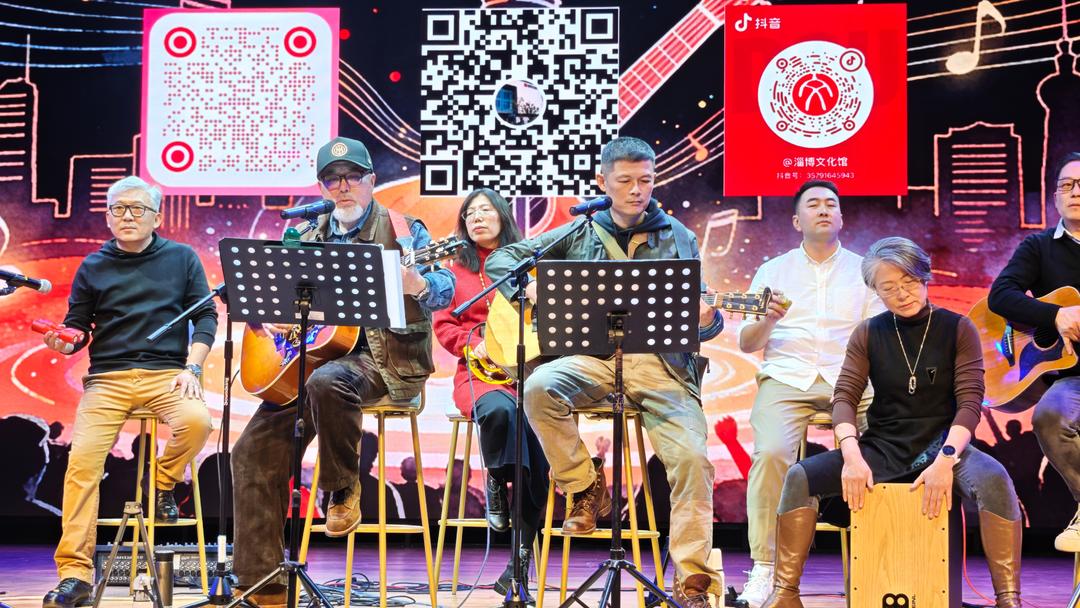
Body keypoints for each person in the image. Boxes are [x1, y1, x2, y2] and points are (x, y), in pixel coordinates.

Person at [485, 136, 725, 608]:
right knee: (539, 386)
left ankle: (693, 578)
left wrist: (706, 320)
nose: (637, 190)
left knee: (693, 461)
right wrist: (528, 290)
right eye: (626, 181)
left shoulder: (678, 236)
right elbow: (501, 258)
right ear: (603, 181)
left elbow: (705, 323)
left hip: (661, 366)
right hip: (593, 358)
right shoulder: (580, 230)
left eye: (646, 180)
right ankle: (584, 485)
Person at [229, 136, 454, 606]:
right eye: (332, 179)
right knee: (250, 451)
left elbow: (445, 288)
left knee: (328, 381)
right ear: (321, 187)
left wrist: (418, 282)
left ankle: (342, 489)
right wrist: (271, 315)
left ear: (371, 180)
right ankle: (262, 584)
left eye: (352, 176)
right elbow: (276, 295)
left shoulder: (404, 230)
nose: (343, 186)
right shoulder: (305, 235)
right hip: (311, 359)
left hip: (384, 361)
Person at [761, 237, 1022, 608]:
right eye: (889, 287)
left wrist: (945, 460)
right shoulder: (869, 332)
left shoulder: (957, 328)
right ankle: (785, 594)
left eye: (909, 282)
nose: (902, 294)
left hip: (944, 445)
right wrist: (851, 456)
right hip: (883, 446)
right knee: (800, 477)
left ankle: (1008, 599)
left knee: (994, 478)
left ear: (924, 276)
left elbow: (969, 402)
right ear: (876, 291)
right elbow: (844, 398)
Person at [42, 176, 217, 608]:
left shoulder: (182, 258)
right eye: (118, 209)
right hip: (108, 379)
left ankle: (162, 483)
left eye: (138, 209)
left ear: (157, 217)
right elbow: (78, 326)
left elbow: (206, 316)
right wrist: (66, 343)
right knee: (81, 465)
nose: (127, 216)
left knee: (198, 422)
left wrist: (193, 367)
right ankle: (75, 575)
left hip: (167, 374)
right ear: (107, 217)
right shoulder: (93, 265)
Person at [735, 180, 883, 606]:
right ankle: (765, 566)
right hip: (787, 378)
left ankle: (880, 558)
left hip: (852, 379)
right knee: (771, 454)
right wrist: (769, 319)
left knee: (888, 449)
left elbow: (880, 338)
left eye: (831, 204)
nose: (823, 209)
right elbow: (747, 342)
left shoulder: (865, 270)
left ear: (841, 218)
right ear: (797, 220)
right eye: (813, 204)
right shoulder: (772, 271)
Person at [432, 188, 550, 599]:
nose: (477, 218)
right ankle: (497, 478)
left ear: (503, 216)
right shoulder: (453, 272)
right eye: (470, 213)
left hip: (529, 370)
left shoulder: (530, 265)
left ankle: (519, 564)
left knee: (538, 447)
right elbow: (444, 327)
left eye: (485, 210)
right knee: (501, 411)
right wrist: (474, 342)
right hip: (479, 372)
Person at [988, 151, 1080, 552]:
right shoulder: (1039, 246)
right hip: (1071, 378)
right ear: (1055, 197)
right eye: (1066, 185)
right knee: (1049, 415)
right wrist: (1055, 316)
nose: (1075, 192)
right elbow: (1000, 296)